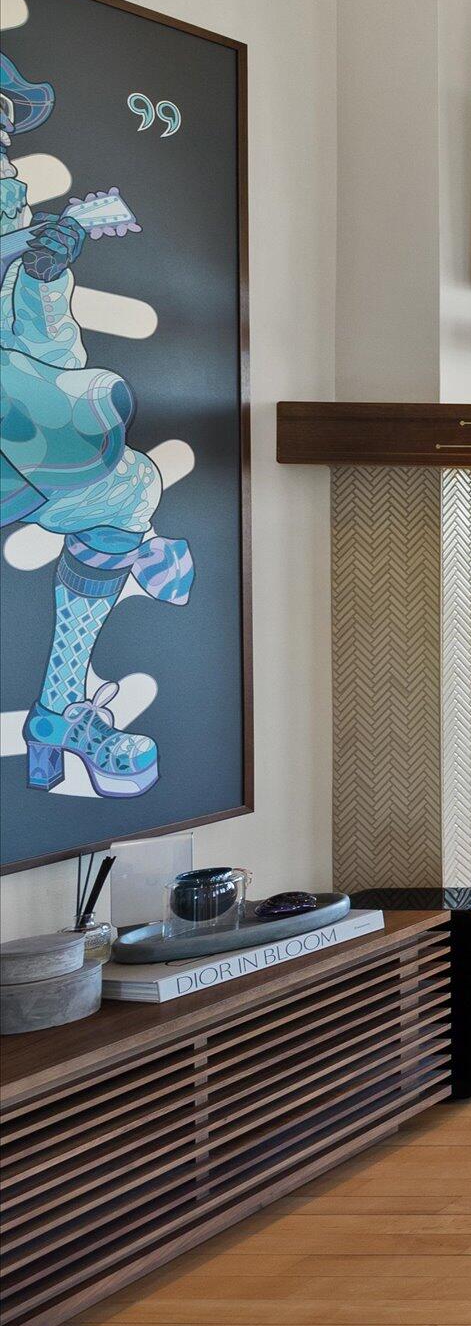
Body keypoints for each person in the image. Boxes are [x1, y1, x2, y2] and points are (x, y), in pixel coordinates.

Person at [1, 49, 190, 799]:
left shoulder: (13, 242)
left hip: (20, 446)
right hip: (31, 435)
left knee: (131, 486)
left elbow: (49, 354)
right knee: (83, 422)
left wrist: (44, 282)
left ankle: (56, 712)